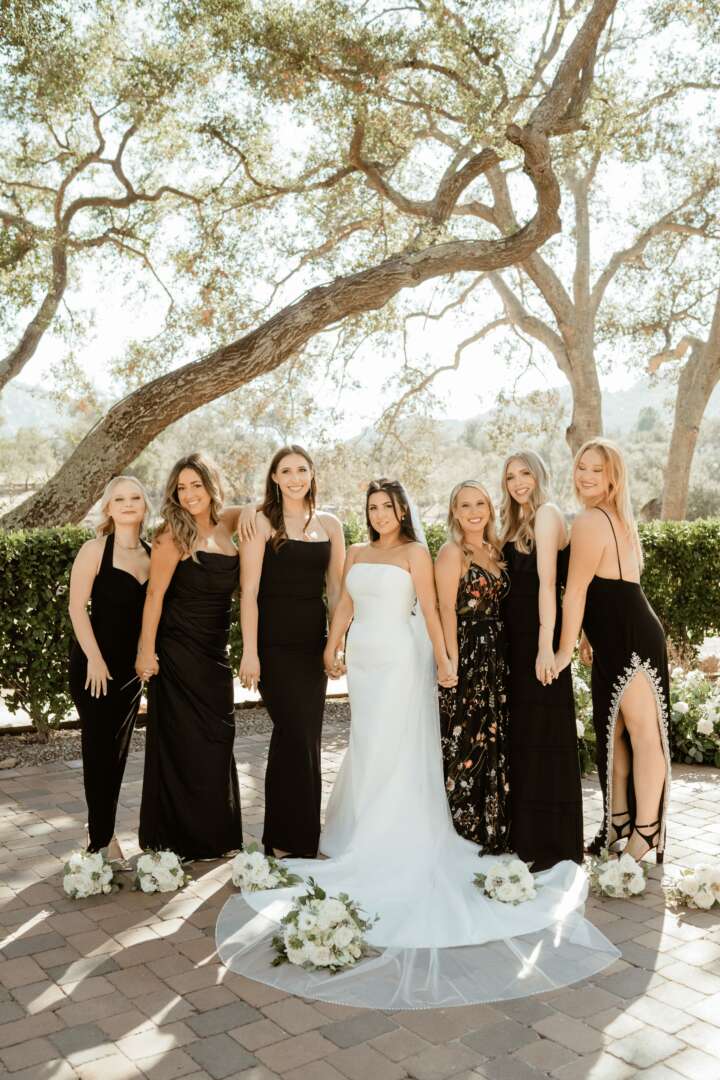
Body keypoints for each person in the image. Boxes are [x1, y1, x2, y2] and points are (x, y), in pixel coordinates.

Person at [215, 479, 619, 1010]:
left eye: (388, 506)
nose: (380, 514)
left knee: (398, 741)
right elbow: (344, 604)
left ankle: (396, 825)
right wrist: (333, 645)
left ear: (402, 510)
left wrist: (445, 659)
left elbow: (432, 609)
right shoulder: (356, 551)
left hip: (403, 659)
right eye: (373, 507)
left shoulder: (416, 552)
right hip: (364, 658)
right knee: (368, 741)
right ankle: (362, 822)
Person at [554, 438, 670, 863]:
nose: (585, 475)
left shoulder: (590, 520)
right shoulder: (616, 517)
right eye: (581, 466)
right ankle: (618, 821)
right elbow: (609, 587)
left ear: (613, 478)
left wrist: (563, 651)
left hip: (630, 639)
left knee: (642, 734)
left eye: (596, 469)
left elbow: (576, 593)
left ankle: (646, 831)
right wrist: (588, 636)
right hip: (617, 635)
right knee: (615, 734)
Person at [238, 445, 345, 859]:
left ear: (312, 474)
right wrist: (250, 652)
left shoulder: (330, 524)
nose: (295, 477)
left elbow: (335, 591)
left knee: (304, 737)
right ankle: (286, 839)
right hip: (273, 646)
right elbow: (248, 591)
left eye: (302, 469)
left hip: (312, 645)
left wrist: (335, 645)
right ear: (275, 478)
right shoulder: (262, 522)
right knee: (294, 732)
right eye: (286, 471)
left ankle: (295, 840)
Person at [136, 453, 244, 861]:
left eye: (196, 485)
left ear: (211, 485)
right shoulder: (171, 536)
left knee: (218, 738)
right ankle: (181, 839)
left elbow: (260, 509)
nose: (189, 494)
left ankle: (217, 834)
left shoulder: (228, 524)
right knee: (183, 742)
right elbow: (154, 596)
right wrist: (146, 651)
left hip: (215, 653)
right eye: (181, 487)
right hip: (178, 651)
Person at [500, 451, 583, 870]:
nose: (518, 482)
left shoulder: (548, 515)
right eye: (510, 476)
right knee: (523, 737)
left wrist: (546, 646)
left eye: (525, 473)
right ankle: (526, 837)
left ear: (539, 475)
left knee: (545, 736)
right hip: (513, 643)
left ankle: (552, 843)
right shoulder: (513, 523)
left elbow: (549, 584)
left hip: (538, 640)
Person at [69, 476, 152, 864]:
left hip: (131, 672)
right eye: (119, 499)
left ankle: (104, 831)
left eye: (135, 497)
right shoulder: (95, 550)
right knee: (98, 751)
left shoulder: (152, 554)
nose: (128, 504)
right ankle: (100, 839)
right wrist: (95, 659)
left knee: (117, 754)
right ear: (108, 507)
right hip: (94, 668)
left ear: (145, 505)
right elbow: (76, 608)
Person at [434, 480, 510, 851]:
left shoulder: (495, 549)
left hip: (497, 653)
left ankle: (493, 823)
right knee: (466, 738)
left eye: (480, 503)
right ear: (455, 512)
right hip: (467, 651)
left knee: (493, 735)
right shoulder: (453, 552)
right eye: (465, 505)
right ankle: (464, 829)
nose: (474, 511)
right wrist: (451, 660)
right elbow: (445, 609)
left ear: (490, 508)